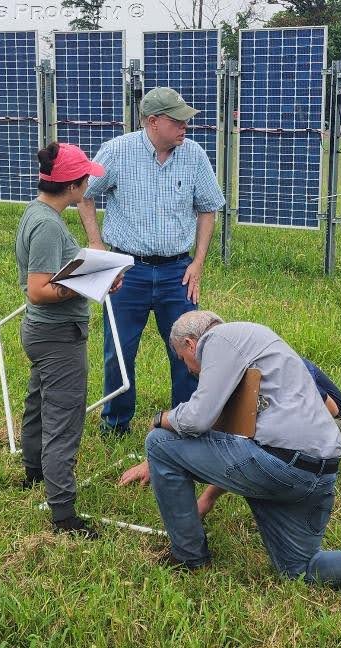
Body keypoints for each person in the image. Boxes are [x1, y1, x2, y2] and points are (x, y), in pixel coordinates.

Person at [118, 311, 341, 628]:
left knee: (159, 442)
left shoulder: (218, 339)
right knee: (299, 567)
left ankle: (188, 556)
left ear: (190, 343)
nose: (189, 369)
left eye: (183, 359)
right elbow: (235, 440)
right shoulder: (262, 346)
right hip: (319, 472)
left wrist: (161, 418)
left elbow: (198, 419)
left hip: (279, 463)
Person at [78, 87, 226, 435]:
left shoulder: (194, 156)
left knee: (189, 351)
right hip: (127, 271)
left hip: (178, 271)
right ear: (152, 121)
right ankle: (115, 424)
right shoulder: (117, 151)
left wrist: (198, 263)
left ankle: (186, 423)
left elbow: (208, 209)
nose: (185, 126)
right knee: (119, 350)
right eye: (177, 120)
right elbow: (85, 196)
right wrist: (98, 247)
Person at [15, 142, 119, 539]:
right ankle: (63, 515)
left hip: (44, 333)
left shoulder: (39, 213)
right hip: (57, 336)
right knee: (65, 418)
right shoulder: (46, 225)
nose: (88, 186)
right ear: (73, 186)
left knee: (39, 403)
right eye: (85, 180)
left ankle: (34, 472)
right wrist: (93, 283)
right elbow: (38, 290)